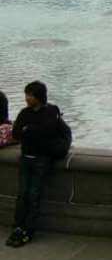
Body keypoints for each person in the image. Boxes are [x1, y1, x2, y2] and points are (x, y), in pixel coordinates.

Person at [5, 82, 62, 248]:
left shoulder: (51, 111)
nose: (26, 98)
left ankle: (29, 230)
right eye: (26, 95)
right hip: (26, 158)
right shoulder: (24, 113)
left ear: (38, 96)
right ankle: (18, 227)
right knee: (22, 195)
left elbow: (49, 131)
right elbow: (16, 133)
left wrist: (28, 130)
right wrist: (32, 131)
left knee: (34, 195)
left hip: (41, 160)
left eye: (29, 95)